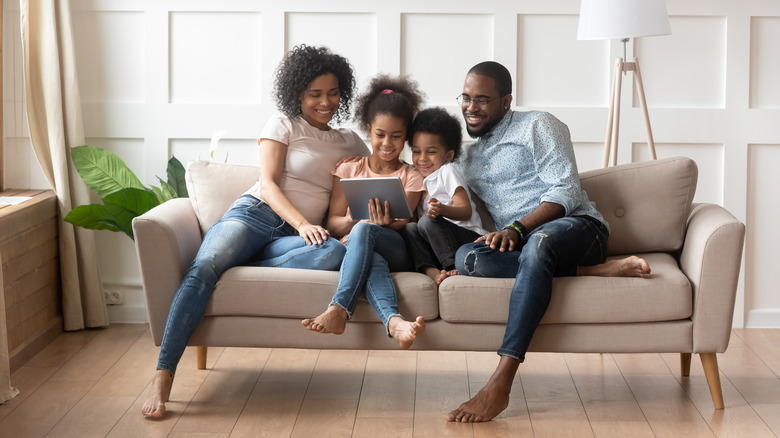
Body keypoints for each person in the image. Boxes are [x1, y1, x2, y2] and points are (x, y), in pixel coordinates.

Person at [141, 45, 369, 418]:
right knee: (205, 267)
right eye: (315, 94)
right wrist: (302, 223)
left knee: (334, 253)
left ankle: (249, 257)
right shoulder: (283, 124)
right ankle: (163, 375)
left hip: (294, 240)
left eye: (332, 93)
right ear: (298, 93)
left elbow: (380, 168)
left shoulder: (350, 141)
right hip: (256, 216)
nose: (325, 102)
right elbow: (267, 185)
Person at [446, 61, 651, 423]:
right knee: (467, 259)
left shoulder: (538, 125)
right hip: (526, 245)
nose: (470, 107)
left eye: (482, 99)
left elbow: (566, 190)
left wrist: (518, 229)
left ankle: (501, 380)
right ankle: (592, 272)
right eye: (465, 97)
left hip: (577, 227)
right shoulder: (465, 157)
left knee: (539, 244)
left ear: (506, 102)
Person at [301, 75, 428, 349]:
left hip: (398, 248)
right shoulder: (347, 169)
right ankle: (394, 322)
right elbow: (333, 224)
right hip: (358, 250)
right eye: (380, 134)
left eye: (396, 136)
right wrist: (353, 219)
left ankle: (339, 308)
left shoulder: (412, 176)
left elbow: (404, 223)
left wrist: (381, 224)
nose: (387, 143)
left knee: (366, 230)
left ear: (406, 136)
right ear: (368, 129)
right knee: (371, 255)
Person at [402, 107, 488, 285]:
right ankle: (431, 271)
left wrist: (442, 210)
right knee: (410, 228)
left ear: (448, 155)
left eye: (431, 152)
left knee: (426, 221)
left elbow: (465, 211)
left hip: (468, 240)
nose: (422, 158)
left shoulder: (447, 172)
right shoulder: (418, 178)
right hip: (440, 244)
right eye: (416, 151)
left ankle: (452, 267)